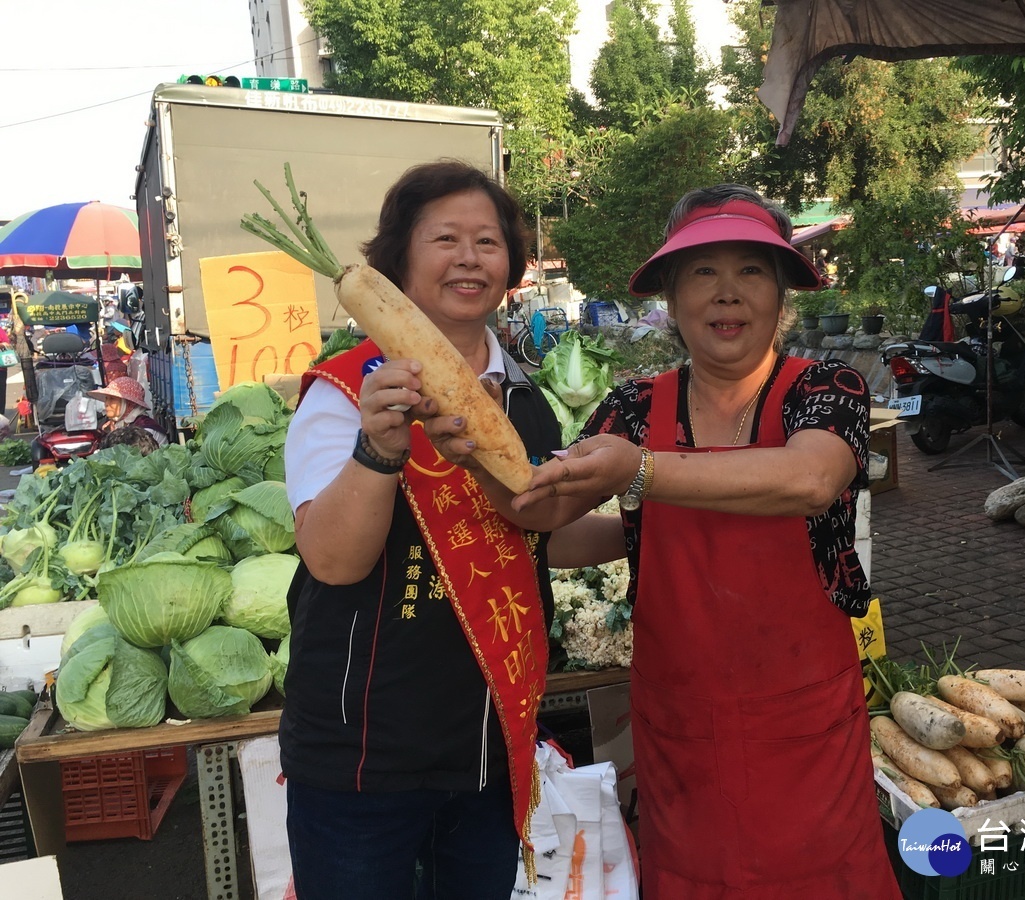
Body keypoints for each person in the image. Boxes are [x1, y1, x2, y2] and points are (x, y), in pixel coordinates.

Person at [479, 185, 902, 897]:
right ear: (671, 302)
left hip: (803, 721)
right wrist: (482, 460)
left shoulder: (827, 388)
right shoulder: (634, 406)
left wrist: (638, 471)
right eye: (703, 273)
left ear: (782, 295)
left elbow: (809, 479)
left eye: (752, 271)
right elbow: (544, 513)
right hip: (682, 726)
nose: (727, 294)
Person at [281, 160, 565, 900]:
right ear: (399, 259)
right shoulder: (348, 391)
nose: (470, 257)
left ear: (511, 267)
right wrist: (378, 447)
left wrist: (651, 522)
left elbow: (544, 537)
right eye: (445, 238)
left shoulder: (526, 396)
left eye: (488, 241)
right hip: (363, 755)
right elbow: (334, 562)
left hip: (487, 744)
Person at [86, 376, 168, 447]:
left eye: (112, 399)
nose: (106, 404)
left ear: (128, 404)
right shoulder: (121, 424)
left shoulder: (144, 429)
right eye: (106, 399)